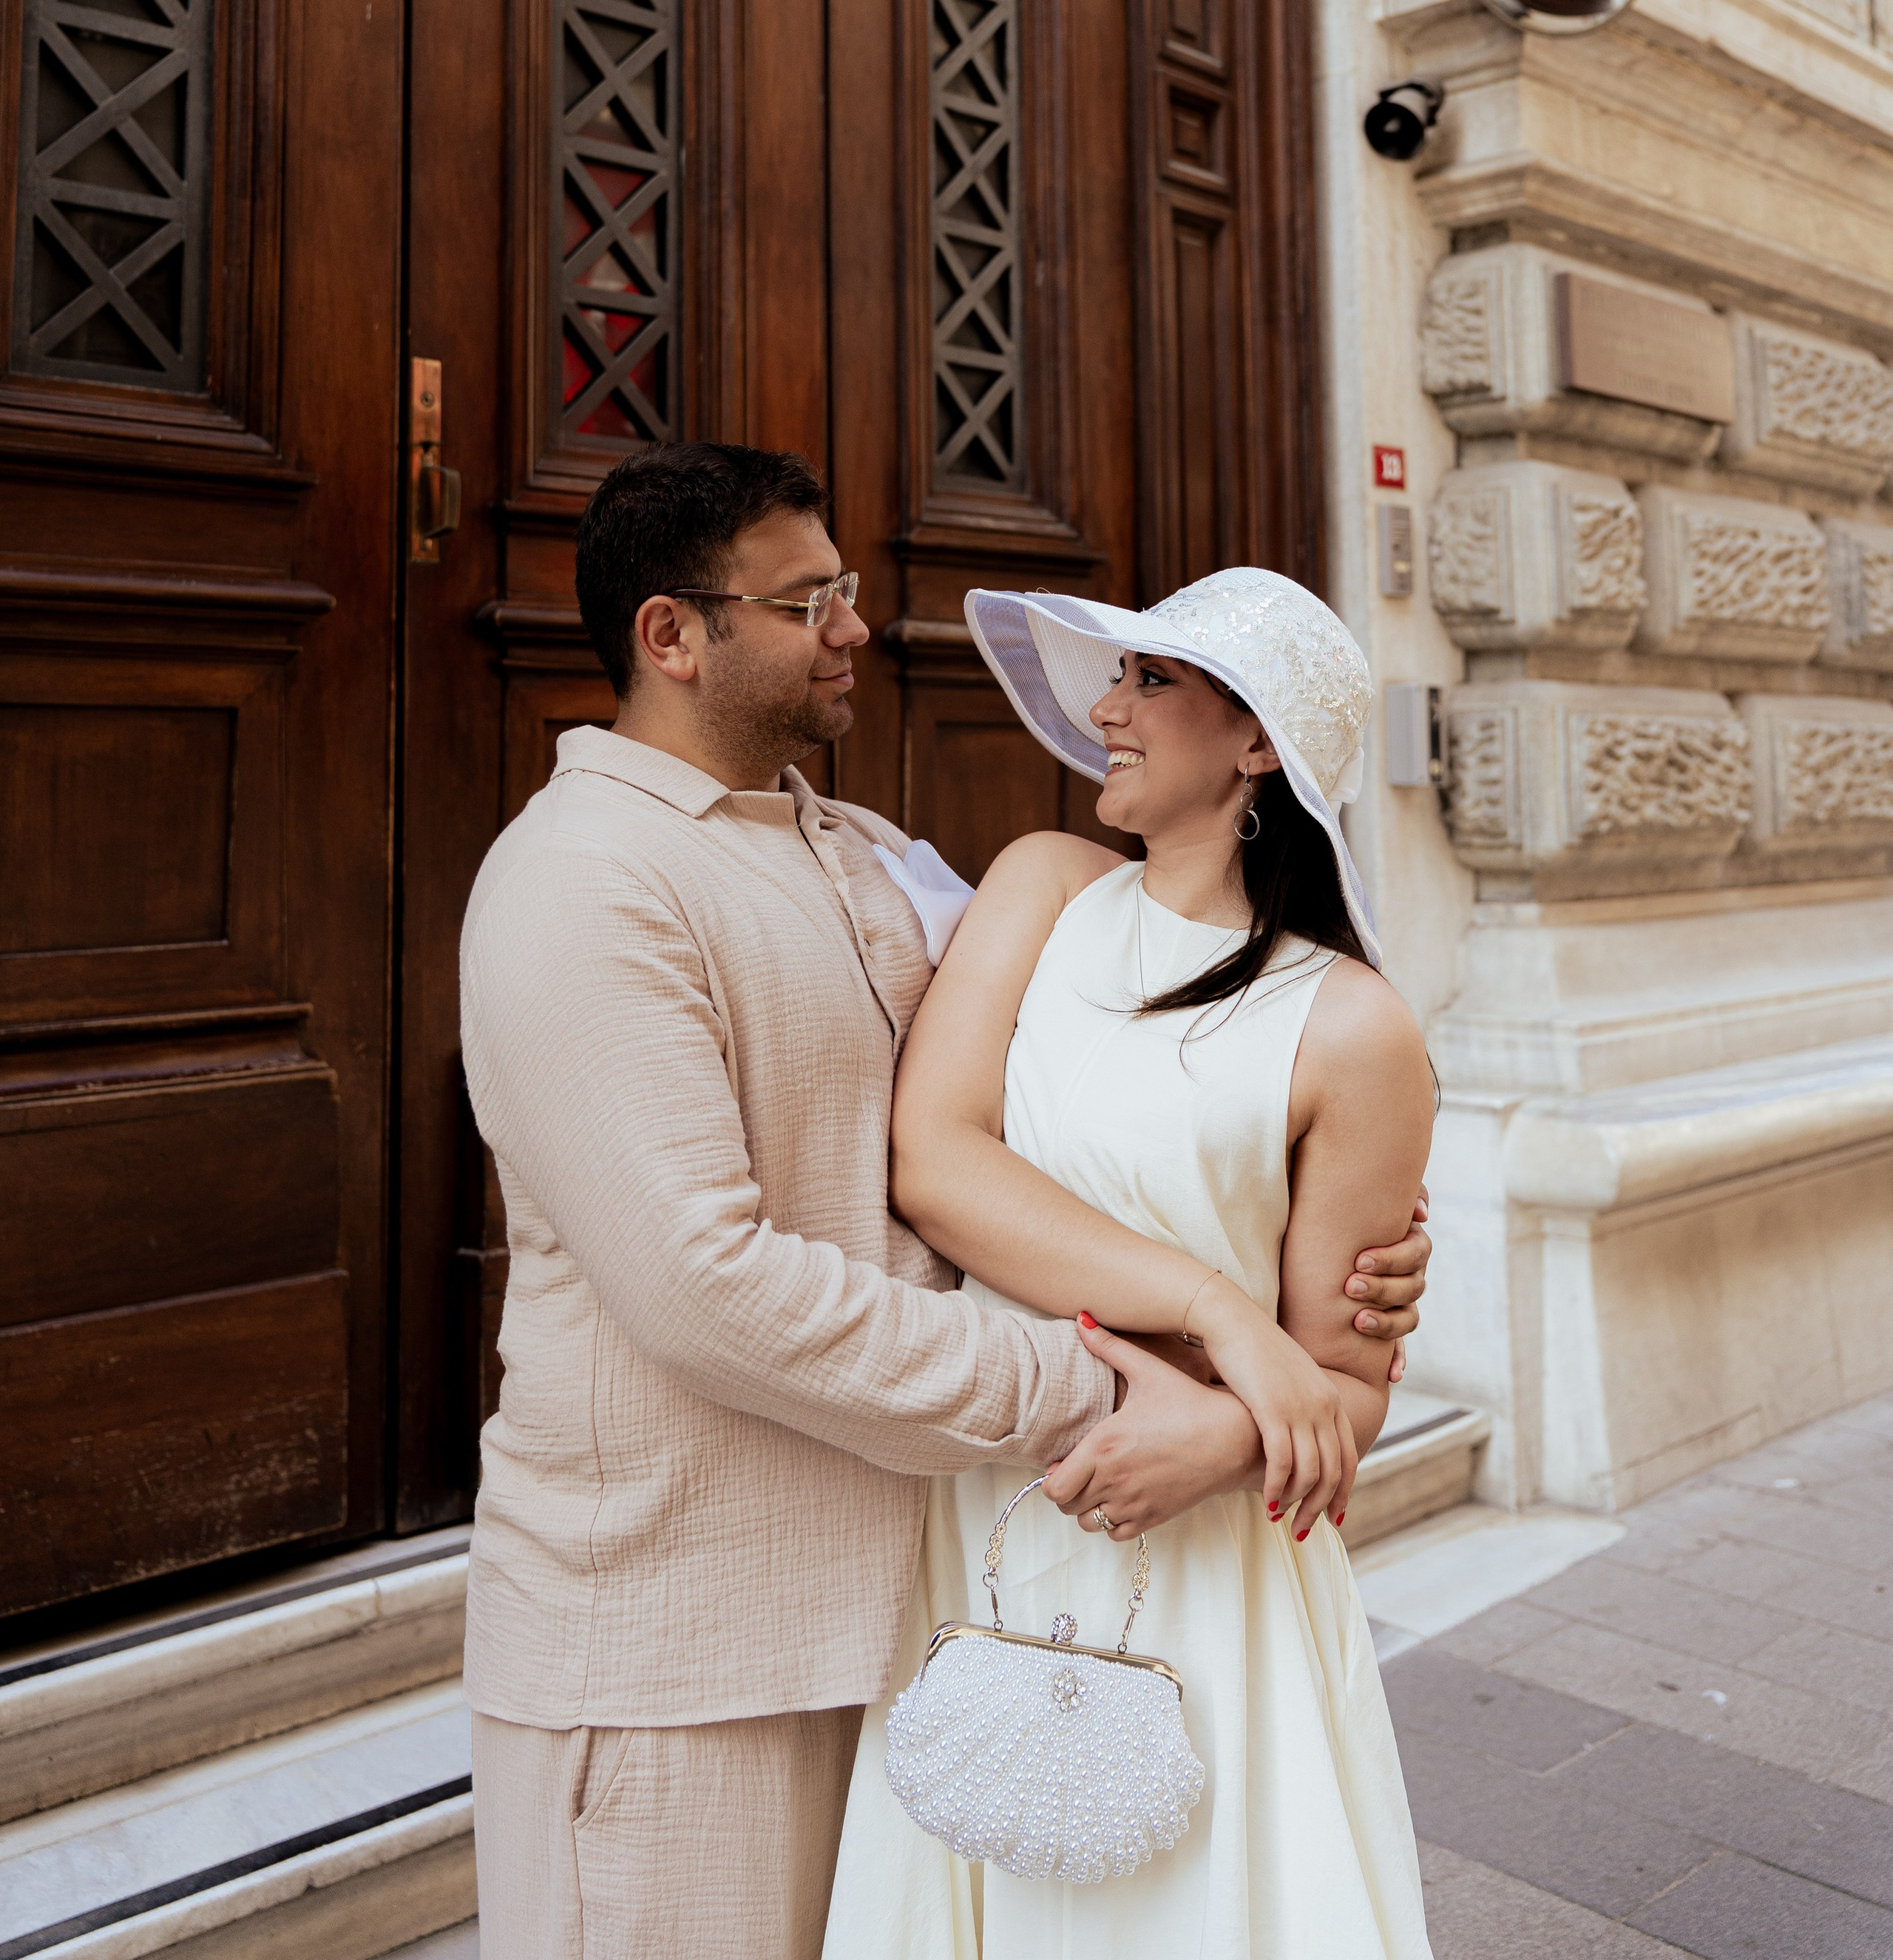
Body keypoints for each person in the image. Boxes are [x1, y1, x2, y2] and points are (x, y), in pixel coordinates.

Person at [458, 447, 1431, 1960]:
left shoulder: (863, 858)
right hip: (672, 1640)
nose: (855, 626)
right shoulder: (580, 882)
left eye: (845, 590)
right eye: (807, 601)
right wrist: (1171, 1350)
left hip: (911, 1598)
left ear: (1254, 746)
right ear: (673, 637)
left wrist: (1297, 1333)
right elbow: (715, 1278)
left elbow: (1114, 1131)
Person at [822, 569, 1437, 1959]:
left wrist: (1221, 1439)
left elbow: (1340, 1392)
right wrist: (1215, 1308)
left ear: (1259, 740)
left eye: (1154, 681)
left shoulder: (1351, 1029)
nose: (1106, 708)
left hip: (1207, 1560)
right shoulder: (1043, 888)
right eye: (1119, 677)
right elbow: (937, 1160)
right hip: (991, 1496)